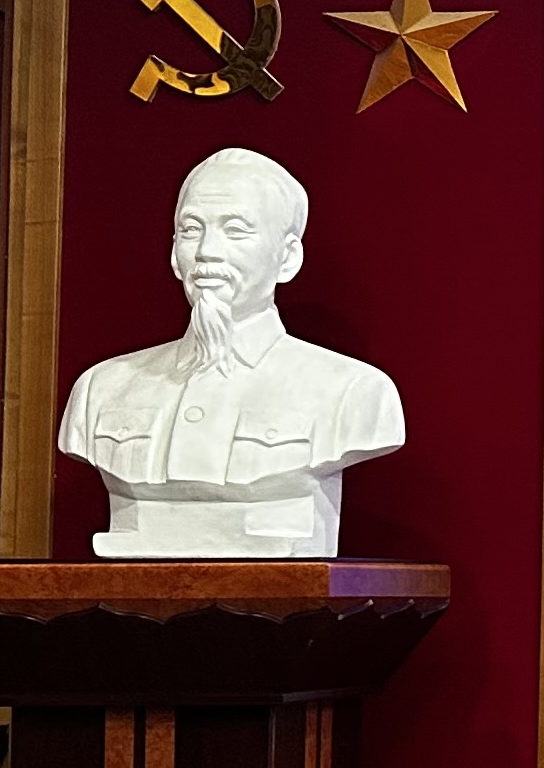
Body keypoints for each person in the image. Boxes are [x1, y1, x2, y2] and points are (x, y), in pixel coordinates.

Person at [55, 146, 404, 557]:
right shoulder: (101, 388)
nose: (206, 251)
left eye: (235, 230)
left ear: (287, 258)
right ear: (173, 253)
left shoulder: (353, 392)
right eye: (191, 229)